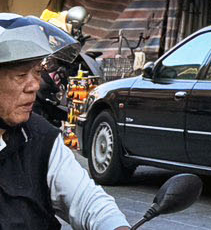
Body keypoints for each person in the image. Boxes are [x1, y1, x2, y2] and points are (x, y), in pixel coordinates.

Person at [0, 25, 128, 230]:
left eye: (37, 72)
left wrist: (116, 225)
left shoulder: (40, 136)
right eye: (21, 75)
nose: (34, 85)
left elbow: (87, 200)